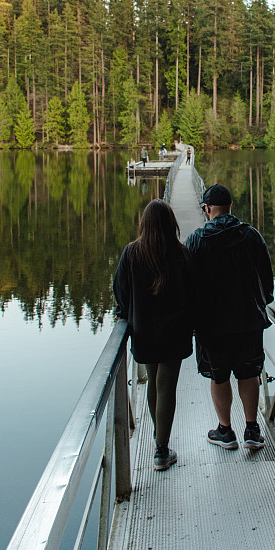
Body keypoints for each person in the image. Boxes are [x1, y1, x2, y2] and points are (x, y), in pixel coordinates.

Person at [185, 185, 274, 450]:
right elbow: (266, 279)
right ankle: (252, 429)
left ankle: (225, 431)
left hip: (211, 325)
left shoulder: (196, 240)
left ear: (207, 209)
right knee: (249, 374)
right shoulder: (251, 236)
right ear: (231, 207)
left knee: (219, 376)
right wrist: (263, 301)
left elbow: (188, 285)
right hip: (248, 321)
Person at [114, 199, 193, 470]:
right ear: (171, 223)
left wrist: (123, 313)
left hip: (143, 332)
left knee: (152, 382)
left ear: (144, 224)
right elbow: (193, 295)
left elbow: (121, 292)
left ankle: (160, 443)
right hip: (174, 333)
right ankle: (161, 449)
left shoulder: (131, 253)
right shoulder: (182, 253)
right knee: (166, 385)